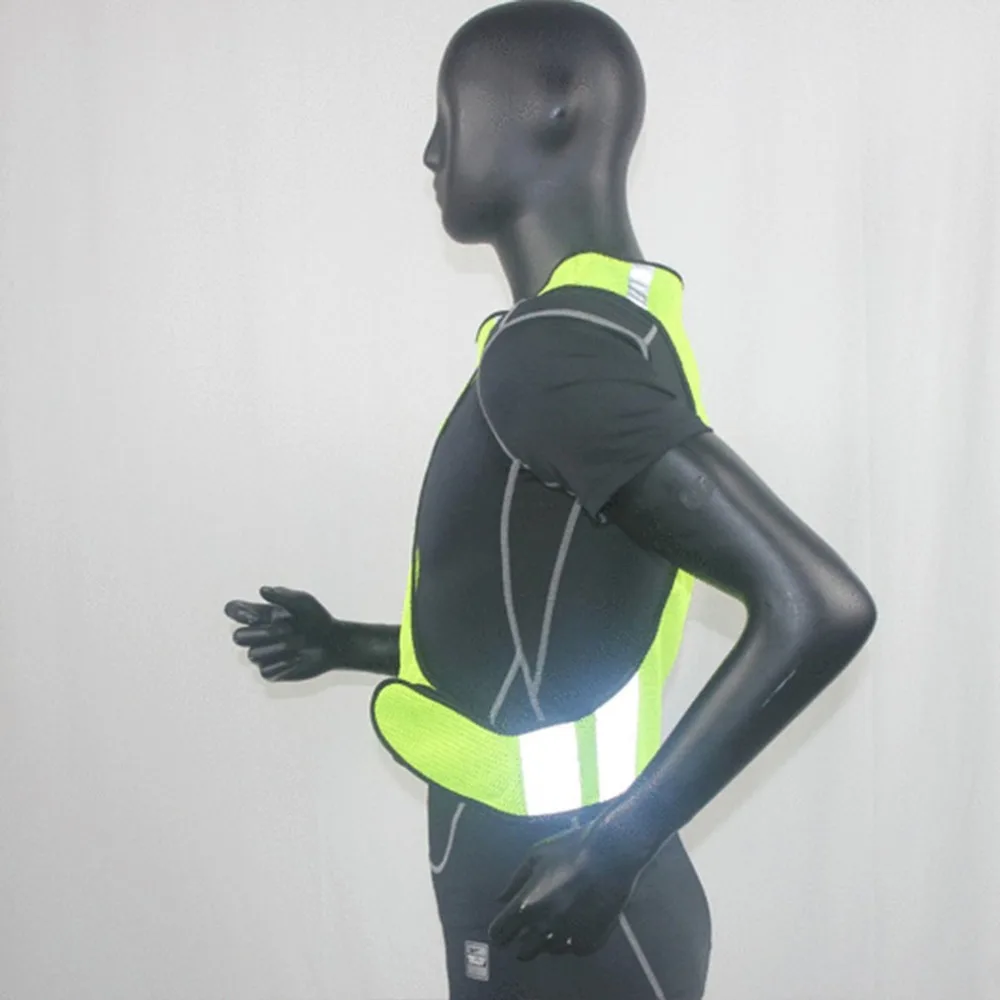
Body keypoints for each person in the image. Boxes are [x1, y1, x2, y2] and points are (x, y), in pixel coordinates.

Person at [224, 3, 877, 998]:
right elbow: (535, 625)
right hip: (547, 877)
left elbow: (819, 606)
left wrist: (615, 847)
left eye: (449, 114)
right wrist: (344, 642)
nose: (430, 149)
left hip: (569, 903)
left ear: (557, 115)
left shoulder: (553, 355)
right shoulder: (604, 331)